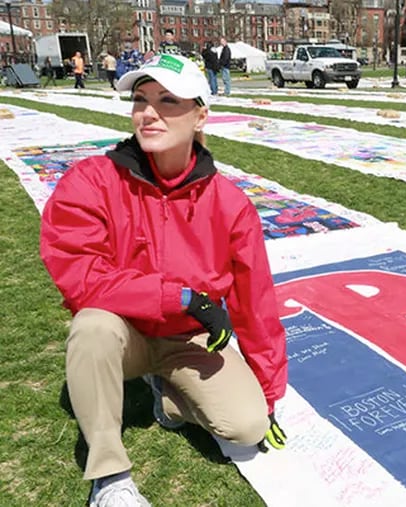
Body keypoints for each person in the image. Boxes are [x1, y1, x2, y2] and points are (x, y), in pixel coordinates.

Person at [39, 53, 288, 507]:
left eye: (168, 100)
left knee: (247, 427)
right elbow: (80, 275)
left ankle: (168, 395)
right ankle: (110, 478)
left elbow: (256, 305)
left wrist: (269, 395)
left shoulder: (230, 203)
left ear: (200, 116)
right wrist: (183, 298)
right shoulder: (91, 181)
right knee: (91, 327)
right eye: (141, 99)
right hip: (123, 333)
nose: (149, 112)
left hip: (186, 339)